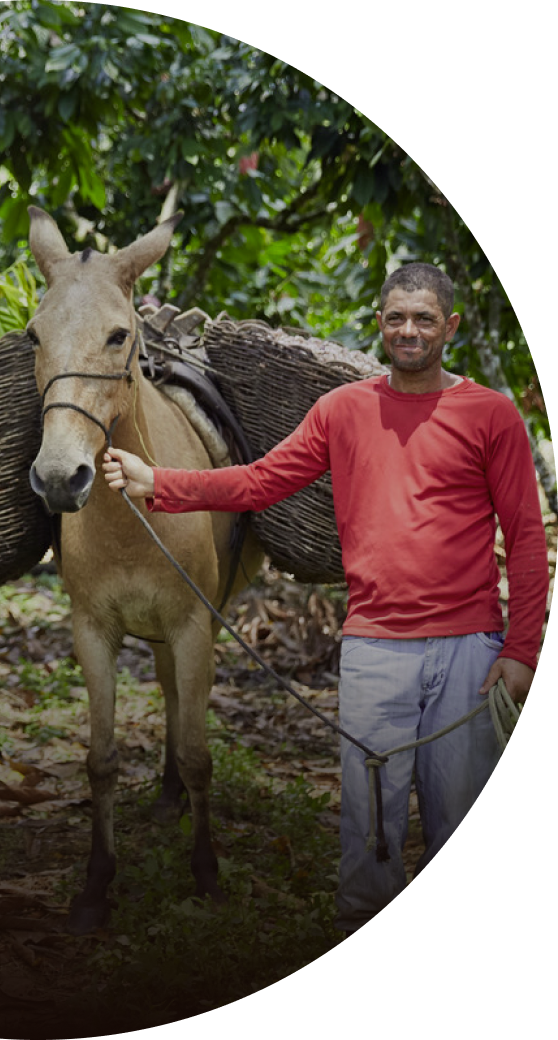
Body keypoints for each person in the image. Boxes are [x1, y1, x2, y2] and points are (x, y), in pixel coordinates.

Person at [103, 264, 549, 933]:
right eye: (396, 317)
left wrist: (521, 650)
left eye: (424, 318)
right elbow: (260, 482)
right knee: (370, 828)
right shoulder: (342, 410)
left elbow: (526, 535)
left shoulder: (491, 414)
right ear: (379, 323)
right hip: (375, 649)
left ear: (450, 326)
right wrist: (158, 482)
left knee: (458, 818)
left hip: (469, 650)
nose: (409, 330)